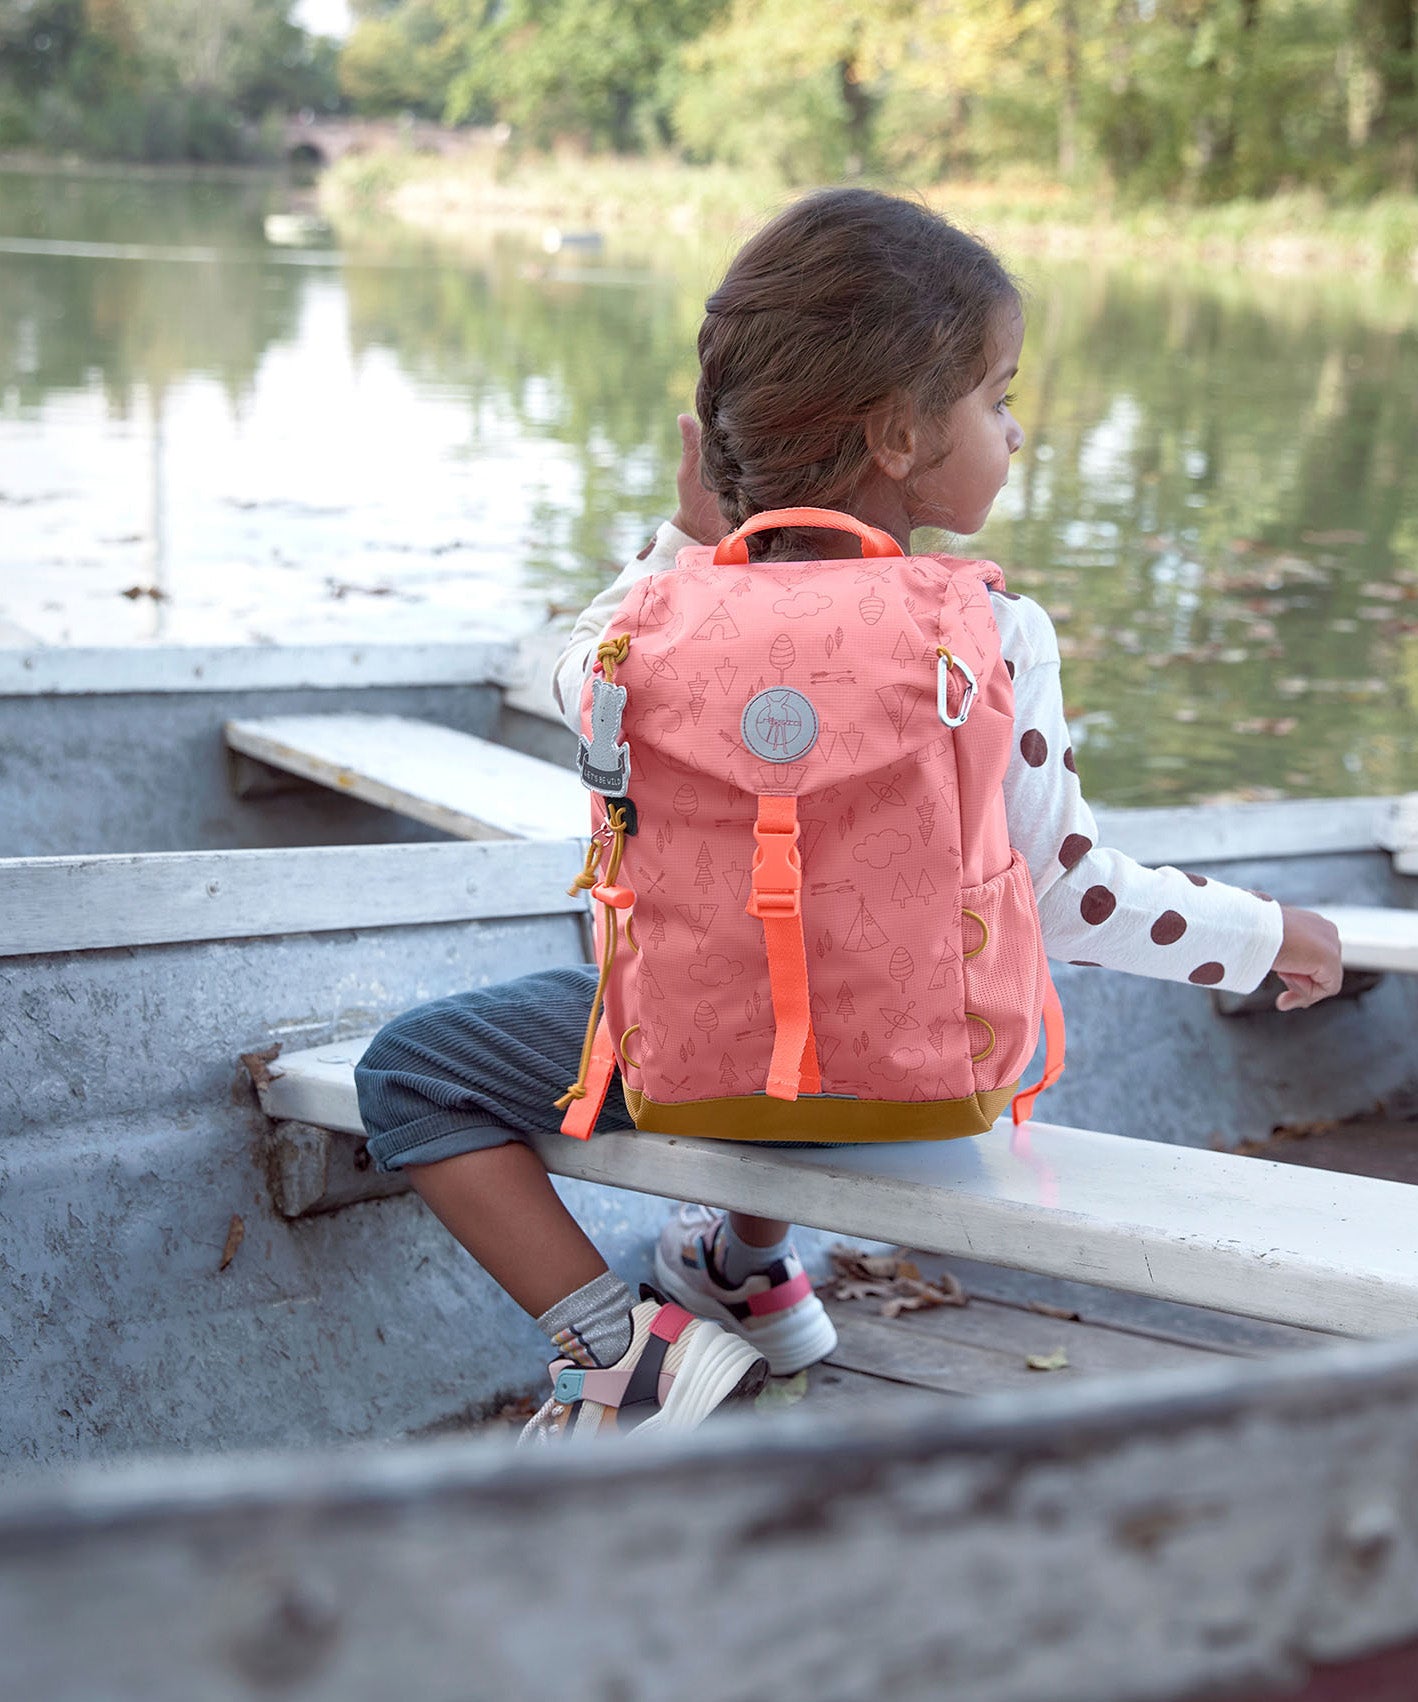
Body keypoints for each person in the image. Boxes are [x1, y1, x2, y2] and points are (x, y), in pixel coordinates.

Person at [356, 188, 1343, 1441]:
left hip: (698, 1081)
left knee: (417, 1070)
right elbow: (1067, 899)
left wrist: (681, 534)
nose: (1016, 428)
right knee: (845, 932)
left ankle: (619, 1343)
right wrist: (1269, 937)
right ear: (892, 435)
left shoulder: (637, 636)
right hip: (925, 1082)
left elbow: (573, 678)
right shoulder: (988, 631)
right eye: (997, 396)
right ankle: (732, 1279)